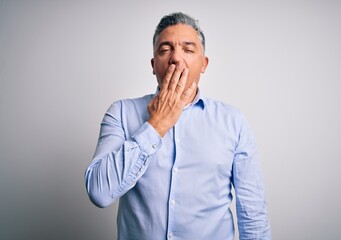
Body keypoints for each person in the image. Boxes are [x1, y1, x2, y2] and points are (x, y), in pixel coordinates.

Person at [85, 12, 271, 240]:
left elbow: (253, 215)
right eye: (165, 50)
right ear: (153, 65)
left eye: (188, 49)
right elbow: (99, 193)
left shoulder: (233, 122)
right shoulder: (121, 113)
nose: (175, 58)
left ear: (204, 64)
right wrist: (155, 126)